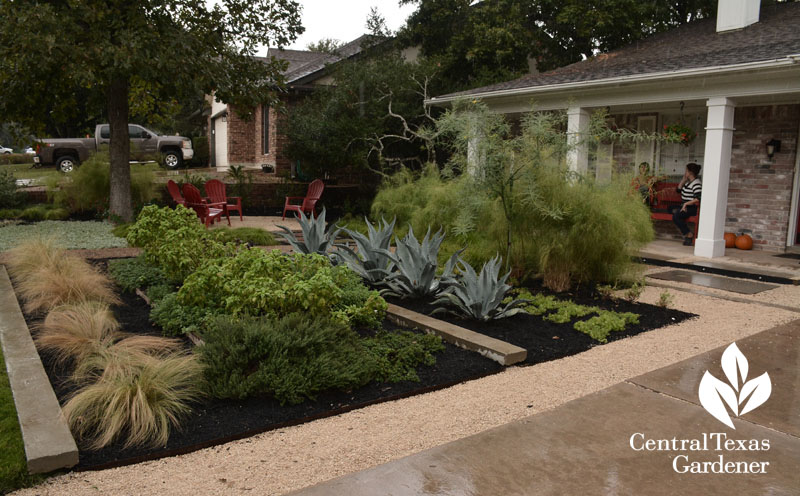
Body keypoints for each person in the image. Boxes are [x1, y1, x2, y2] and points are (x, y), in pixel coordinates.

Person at [673, 163, 702, 245]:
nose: (685, 172)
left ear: (690, 172)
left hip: (691, 208)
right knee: (670, 209)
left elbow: (698, 198)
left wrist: (686, 204)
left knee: (676, 215)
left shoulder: (696, 183)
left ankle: (689, 234)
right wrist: (683, 181)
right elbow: (678, 190)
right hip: (684, 206)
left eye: (686, 171)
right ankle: (679, 211)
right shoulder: (688, 182)